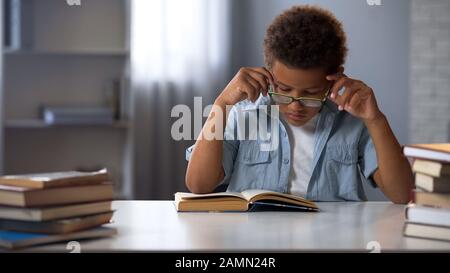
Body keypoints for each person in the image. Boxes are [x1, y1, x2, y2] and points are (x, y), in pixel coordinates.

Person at [185, 5, 413, 204]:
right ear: (269, 72)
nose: (295, 106)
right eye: (283, 90)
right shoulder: (243, 114)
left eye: (311, 94)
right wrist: (222, 103)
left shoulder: (352, 121)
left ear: (335, 78)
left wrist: (376, 120)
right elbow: (198, 184)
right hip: (254, 238)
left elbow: (402, 194)